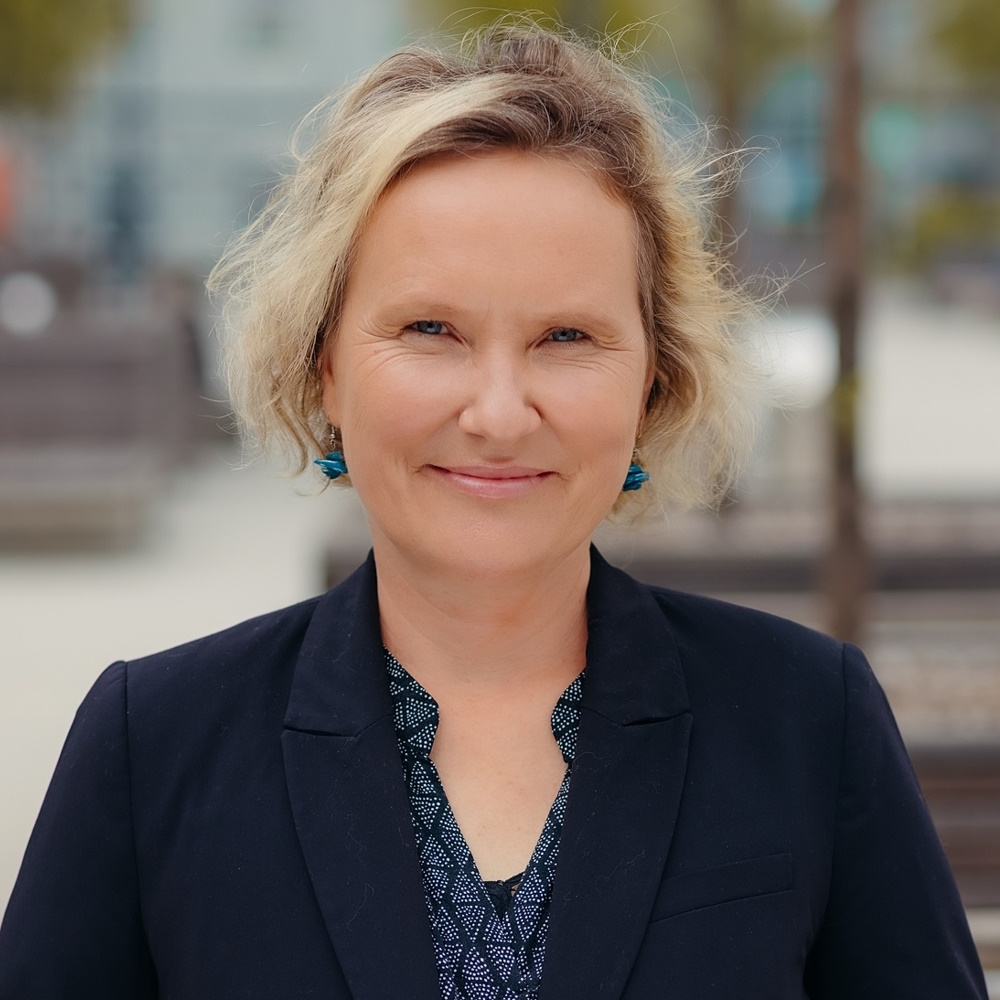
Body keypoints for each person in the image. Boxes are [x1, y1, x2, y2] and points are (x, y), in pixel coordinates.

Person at [0, 22, 987, 1000]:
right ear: (324, 365)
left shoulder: (809, 722)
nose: (500, 413)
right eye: (431, 328)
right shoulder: (151, 747)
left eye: (567, 336)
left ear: (654, 378)